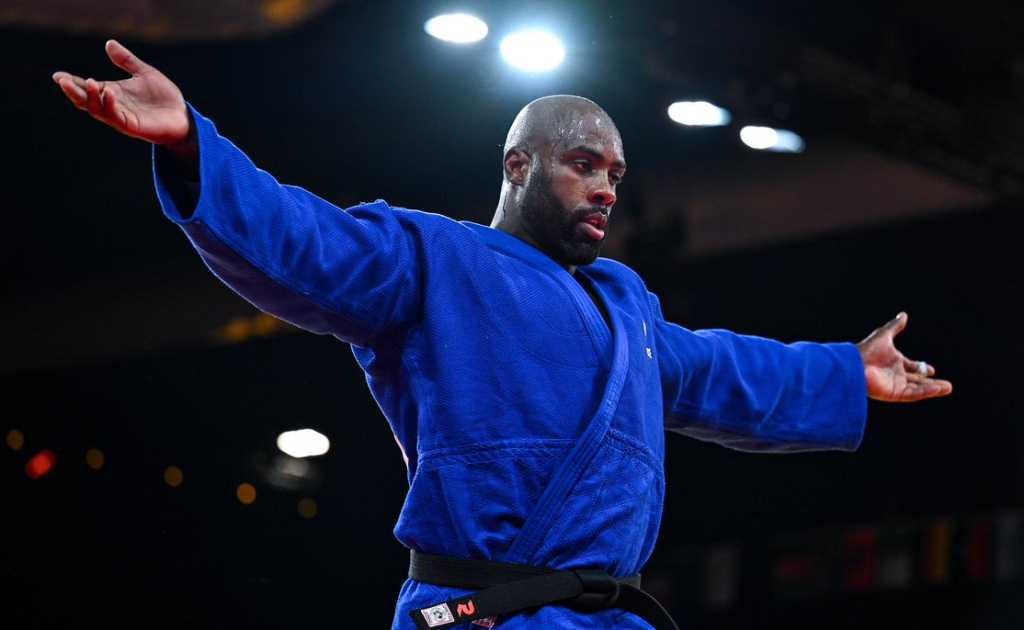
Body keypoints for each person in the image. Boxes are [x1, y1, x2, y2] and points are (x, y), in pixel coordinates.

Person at [53, 40, 952, 629]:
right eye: (584, 164)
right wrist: (190, 146)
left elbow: (721, 370)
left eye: (617, 172)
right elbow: (305, 240)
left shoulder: (626, 307)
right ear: (519, 165)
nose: (607, 187)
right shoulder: (436, 259)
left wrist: (845, 372)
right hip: (483, 611)